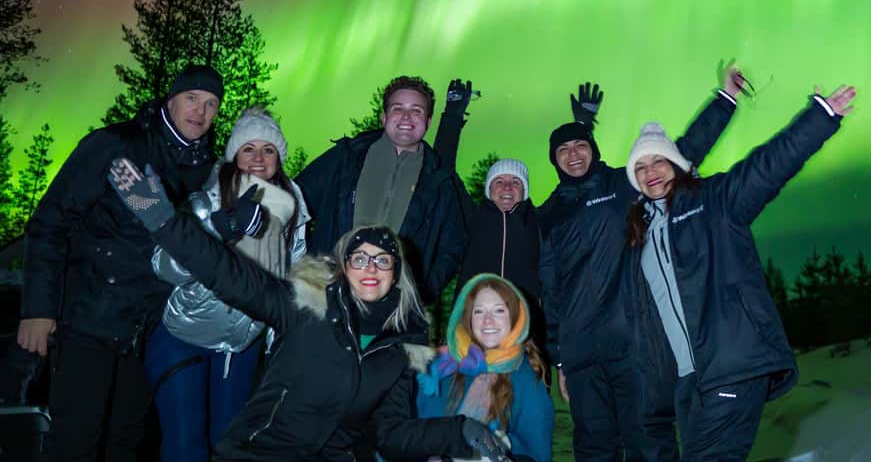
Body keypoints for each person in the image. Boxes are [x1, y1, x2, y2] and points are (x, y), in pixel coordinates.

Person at [105, 159, 513, 462]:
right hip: (260, 455)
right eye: (360, 259)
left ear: (396, 274)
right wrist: (160, 216)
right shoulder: (303, 305)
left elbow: (391, 434)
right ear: (342, 268)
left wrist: (458, 431)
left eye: (383, 260)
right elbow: (224, 272)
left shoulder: (404, 346)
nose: (371, 268)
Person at [623, 85, 857, 461]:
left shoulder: (714, 201)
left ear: (677, 165)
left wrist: (820, 118)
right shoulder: (642, 231)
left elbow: (767, 166)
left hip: (731, 365)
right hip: (688, 380)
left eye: (659, 162)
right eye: (640, 167)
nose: (650, 172)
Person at [17, 64, 223, 462]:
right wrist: (38, 310)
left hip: (147, 330)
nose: (200, 110)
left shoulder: (206, 172)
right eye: (192, 98)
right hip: (89, 318)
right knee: (75, 441)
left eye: (211, 103)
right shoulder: (116, 144)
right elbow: (51, 221)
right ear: (171, 99)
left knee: (126, 442)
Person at [538, 71, 746, 462]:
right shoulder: (548, 215)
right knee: (594, 447)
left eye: (580, 145)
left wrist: (725, 100)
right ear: (554, 159)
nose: (573, 154)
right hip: (582, 355)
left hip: (634, 347)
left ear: (592, 150)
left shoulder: (623, 186)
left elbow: (680, 156)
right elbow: (550, 292)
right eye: (563, 150)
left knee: (648, 442)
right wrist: (560, 359)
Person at [145, 107, 311, 462]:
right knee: (185, 446)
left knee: (230, 448)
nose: (257, 158)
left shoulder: (292, 212)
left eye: (268, 149)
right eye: (248, 148)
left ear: (278, 158)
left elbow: (291, 285)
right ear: (234, 155)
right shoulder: (207, 201)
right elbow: (162, 265)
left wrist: (283, 346)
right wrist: (220, 229)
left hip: (241, 349)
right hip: (183, 338)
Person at [297, 76, 469, 301]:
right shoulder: (346, 158)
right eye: (398, 108)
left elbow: (454, 246)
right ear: (384, 117)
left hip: (394, 303)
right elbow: (295, 199)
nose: (407, 116)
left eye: (416, 110)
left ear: (427, 121)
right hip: (329, 291)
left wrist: (421, 290)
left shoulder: (440, 182)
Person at [417, 273, 554, 462]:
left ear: (515, 318)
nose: (488, 320)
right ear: (467, 319)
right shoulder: (442, 367)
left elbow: (536, 452)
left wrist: (501, 443)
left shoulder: (526, 376)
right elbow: (413, 432)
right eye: (479, 311)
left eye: (499, 311)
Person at [455, 159, 541, 314]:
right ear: (489, 189)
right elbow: (446, 168)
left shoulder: (539, 222)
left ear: (524, 191)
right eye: (499, 181)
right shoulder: (471, 218)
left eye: (516, 182)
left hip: (525, 322)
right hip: (474, 320)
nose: (507, 187)